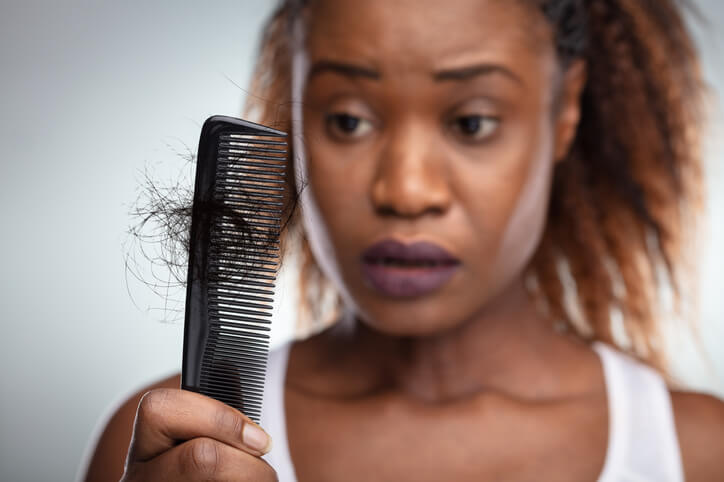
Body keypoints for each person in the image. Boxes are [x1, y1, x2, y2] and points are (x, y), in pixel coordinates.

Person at [81, 0, 724, 480]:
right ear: (295, 107)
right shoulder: (163, 448)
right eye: (348, 120)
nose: (406, 190)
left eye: (471, 122)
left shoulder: (697, 453)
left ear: (566, 111)